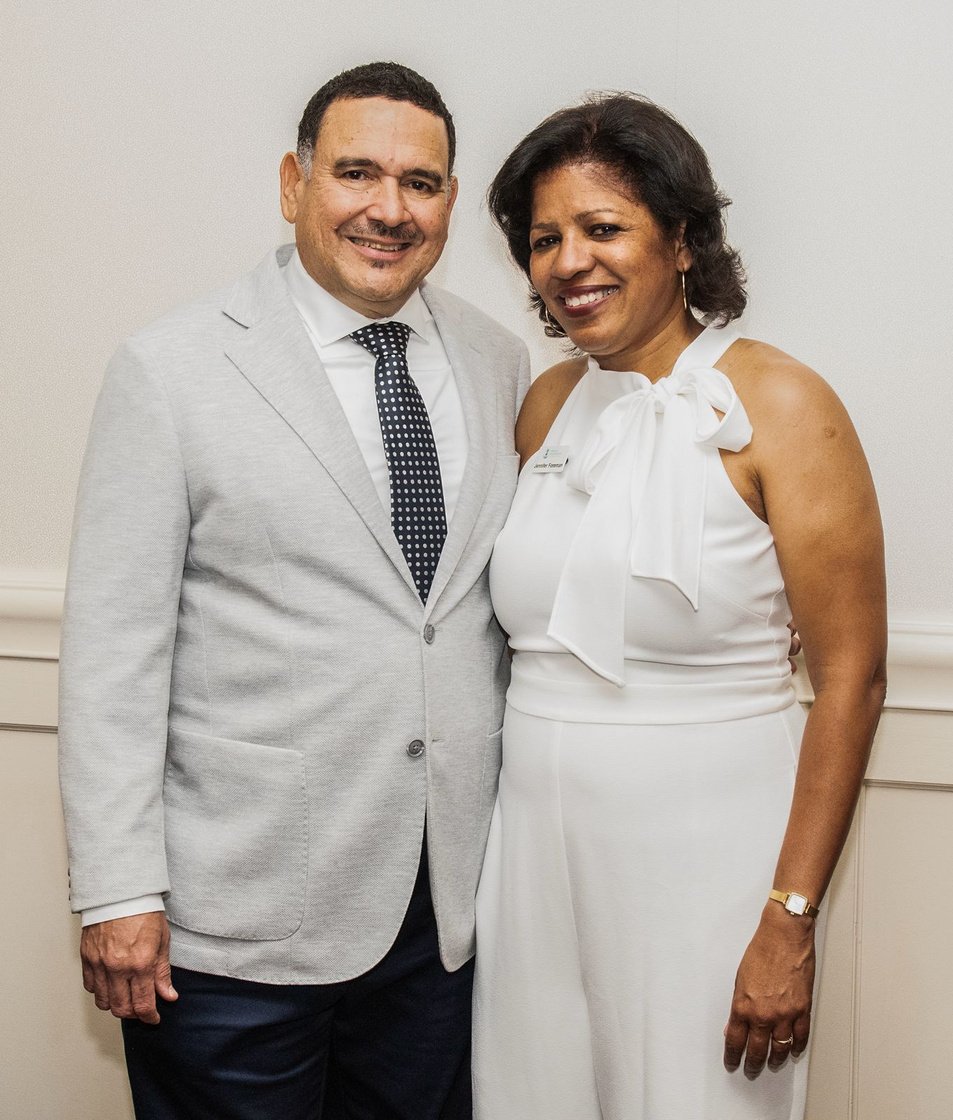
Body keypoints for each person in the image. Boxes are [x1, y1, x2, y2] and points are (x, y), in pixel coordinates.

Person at [58, 61, 529, 1120]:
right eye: (356, 173)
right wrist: (118, 892)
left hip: (441, 923)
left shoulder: (499, 364)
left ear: (449, 202)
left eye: (419, 183)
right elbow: (112, 655)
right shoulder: (172, 368)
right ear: (293, 183)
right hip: (233, 925)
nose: (388, 208)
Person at [472, 93, 886, 1120]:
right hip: (530, 858)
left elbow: (851, 677)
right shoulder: (545, 406)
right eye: (544, 239)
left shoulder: (781, 404)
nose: (569, 261)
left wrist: (788, 919)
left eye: (602, 228)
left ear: (685, 239)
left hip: (709, 862)